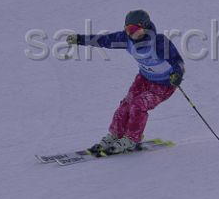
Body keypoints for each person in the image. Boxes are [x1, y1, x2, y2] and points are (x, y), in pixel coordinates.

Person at [66, 9, 184, 154]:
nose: (131, 33)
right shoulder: (126, 39)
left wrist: (177, 75)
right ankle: (116, 134)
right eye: (128, 30)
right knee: (127, 103)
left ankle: (132, 139)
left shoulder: (159, 42)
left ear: (145, 27)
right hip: (144, 79)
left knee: (139, 104)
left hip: (164, 85)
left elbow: (178, 63)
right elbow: (103, 40)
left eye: (134, 29)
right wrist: (79, 39)